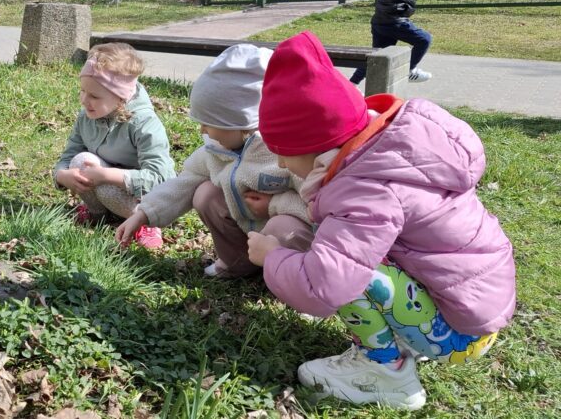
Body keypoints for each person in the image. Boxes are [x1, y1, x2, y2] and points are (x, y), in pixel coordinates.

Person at [248, 31, 515, 410]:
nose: (280, 164)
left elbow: (324, 286)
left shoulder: (364, 189)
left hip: (460, 335)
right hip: (473, 310)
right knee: (344, 253)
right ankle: (404, 340)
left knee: (346, 273)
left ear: (314, 147)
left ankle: (386, 374)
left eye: (284, 152)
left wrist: (271, 255)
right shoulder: (390, 149)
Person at [116, 44, 312, 276]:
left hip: (288, 242)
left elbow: (316, 204)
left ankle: (291, 278)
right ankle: (238, 263)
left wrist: (273, 205)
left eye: (209, 123)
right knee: (205, 193)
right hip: (248, 236)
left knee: (284, 228)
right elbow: (184, 182)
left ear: (239, 123)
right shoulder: (216, 149)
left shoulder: (284, 153)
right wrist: (143, 213)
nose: (203, 131)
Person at [53, 43, 175, 249]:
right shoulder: (87, 117)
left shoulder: (144, 123)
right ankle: (98, 213)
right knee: (81, 161)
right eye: (82, 91)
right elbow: (70, 154)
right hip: (107, 185)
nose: (84, 100)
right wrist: (62, 176)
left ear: (120, 98)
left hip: (146, 199)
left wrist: (107, 176)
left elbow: (161, 179)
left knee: (102, 181)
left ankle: (147, 223)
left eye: (94, 96)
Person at [349, 0, 451, 84]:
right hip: (393, 21)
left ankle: (352, 84)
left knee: (376, 57)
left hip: (383, 21)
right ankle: (409, 70)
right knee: (424, 39)